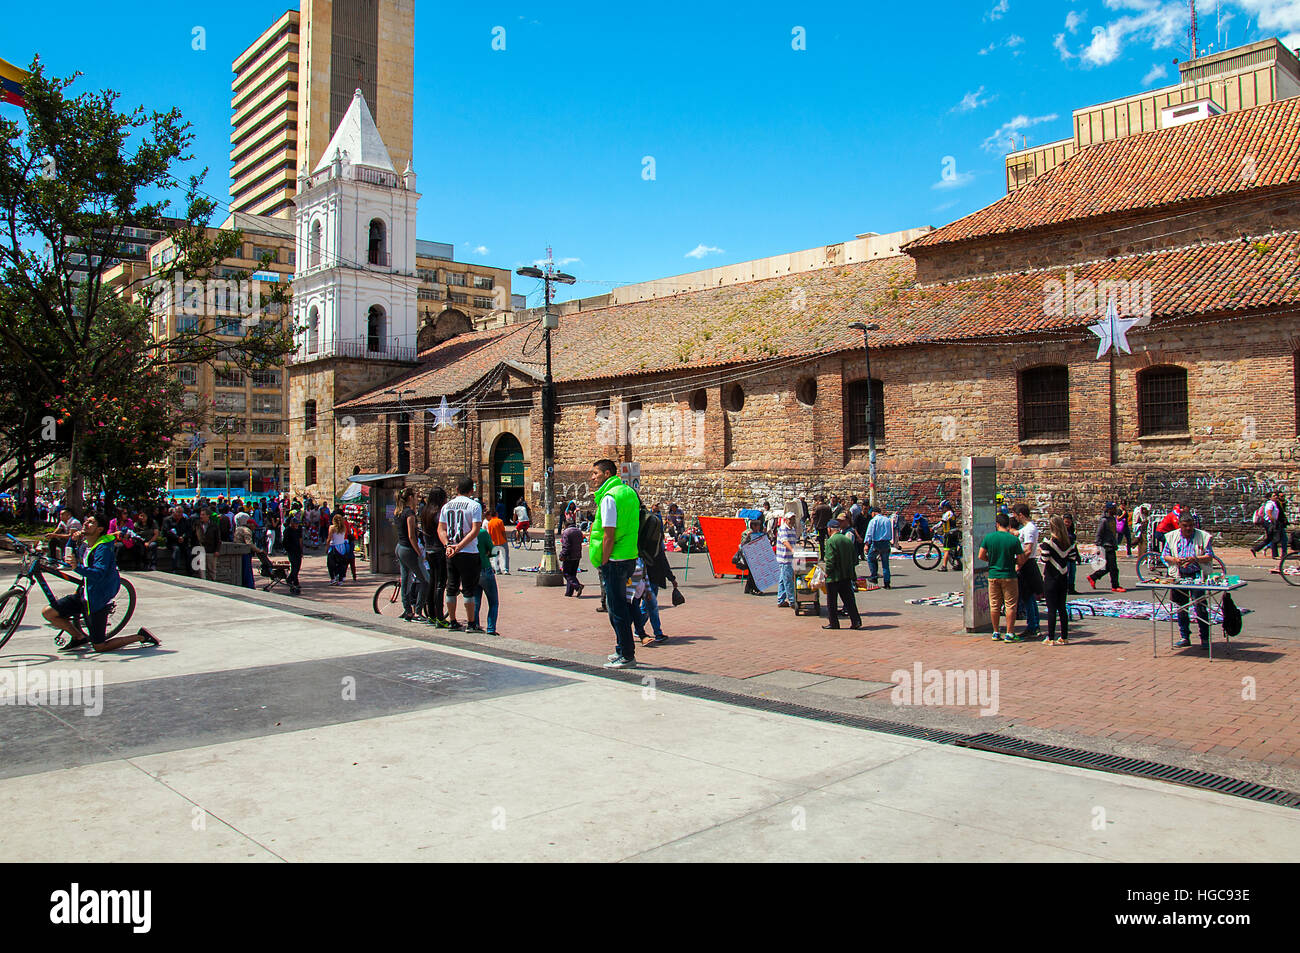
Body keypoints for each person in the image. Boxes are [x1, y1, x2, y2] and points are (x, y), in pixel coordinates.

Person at [43, 515, 160, 653]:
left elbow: (99, 573)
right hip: (84, 593)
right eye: (86, 521)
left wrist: (77, 568)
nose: (86, 523)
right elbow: (70, 554)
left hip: (98, 599)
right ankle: (78, 637)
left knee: (99, 646)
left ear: (99, 529)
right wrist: (72, 540)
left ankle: (140, 636)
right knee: (48, 613)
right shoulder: (85, 545)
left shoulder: (103, 549)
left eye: (91, 522)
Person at [589, 459, 640, 669]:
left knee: (616, 609)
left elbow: (608, 533)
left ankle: (627, 655)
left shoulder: (609, 497)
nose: (592, 478)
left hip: (615, 560)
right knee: (622, 606)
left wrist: (603, 561)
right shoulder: (629, 493)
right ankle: (621, 648)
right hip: (629, 556)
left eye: (595, 473)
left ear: (607, 473)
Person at [1162, 511, 1216, 650]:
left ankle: (1204, 638)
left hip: (1197, 576)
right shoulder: (1172, 537)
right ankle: (1185, 636)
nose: (1188, 529)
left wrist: (1195, 559)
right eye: (1185, 526)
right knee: (1181, 607)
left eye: (1190, 526)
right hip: (1179, 576)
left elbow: (1209, 556)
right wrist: (1176, 560)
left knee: (1200, 608)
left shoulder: (1203, 537)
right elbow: (1165, 556)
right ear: (1180, 525)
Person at [439, 477, 483, 631]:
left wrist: (448, 546)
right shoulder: (474, 506)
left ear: (457, 489)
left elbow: (441, 529)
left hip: (451, 552)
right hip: (468, 552)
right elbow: (475, 529)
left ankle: (452, 621)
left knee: (451, 586)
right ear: (471, 490)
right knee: (469, 588)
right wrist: (460, 546)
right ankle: (471, 623)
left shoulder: (446, 506)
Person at [979, 512, 1027, 642]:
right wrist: (1013, 562)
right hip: (1009, 575)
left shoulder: (989, 538)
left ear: (997, 524)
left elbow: (981, 555)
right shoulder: (1013, 540)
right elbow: (1021, 559)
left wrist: (991, 560)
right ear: (1009, 525)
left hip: (993, 575)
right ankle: (1009, 633)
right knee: (1010, 605)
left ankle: (995, 631)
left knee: (994, 605)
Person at [1040, 515, 1080, 645]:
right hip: (1063, 577)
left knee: (1051, 609)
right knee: (1062, 608)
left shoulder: (1048, 543)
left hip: (1051, 578)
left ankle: (1050, 638)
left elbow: (1044, 559)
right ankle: (1064, 636)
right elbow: (1073, 558)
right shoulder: (1069, 543)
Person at [392, 487, 429, 622]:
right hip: (408, 549)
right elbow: (411, 536)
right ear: (409, 498)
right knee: (425, 580)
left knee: (406, 580)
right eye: (415, 496)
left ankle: (408, 611)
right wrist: (419, 553)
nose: (416, 499)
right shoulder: (410, 514)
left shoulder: (398, 512)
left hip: (400, 547)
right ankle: (418, 612)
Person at [822, 520, 862, 630]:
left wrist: (827, 572)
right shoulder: (847, 540)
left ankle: (834, 623)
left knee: (832, 602)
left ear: (829, 529)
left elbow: (830, 560)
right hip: (847, 575)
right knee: (849, 600)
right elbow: (854, 559)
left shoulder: (831, 541)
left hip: (834, 576)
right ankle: (856, 620)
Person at [1013, 503, 1043, 640]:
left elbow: (1028, 549)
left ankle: (1033, 626)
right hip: (1026, 563)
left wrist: (1019, 564)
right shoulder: (1026, 529)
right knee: (1028, 597)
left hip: (1027, 564)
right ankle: (1033, 624)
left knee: (1028, 597)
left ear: (1021, 515)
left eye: (1016, 515)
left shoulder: (1029, 529)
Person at [421, 489, 449, 626]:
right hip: (439, 550)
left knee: (432, 581)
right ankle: (439, 617)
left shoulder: (425, 511)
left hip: (429, 550)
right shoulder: (439, 513)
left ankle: (431, 615)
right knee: (440, 584)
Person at [468, 522, 499, 635]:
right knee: (493, 602)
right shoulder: (482, 533)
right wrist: (491, 552)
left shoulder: (465, 533)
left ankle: (474, 624)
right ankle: (491, 628)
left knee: (475, 601)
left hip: (472, 570)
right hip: (485, 568)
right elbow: (493, 551)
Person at [1088, 503, 1125, 593]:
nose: (1115, 510)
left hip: (1112, 545)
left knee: (1108, 567)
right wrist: (1098, 546)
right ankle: (1115, 586)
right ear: (1109, 510)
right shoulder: (1104, 520)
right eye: (1113, 508)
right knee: (1113, 568)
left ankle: (1093, 577)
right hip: (1106, 546)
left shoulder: (1112, 519)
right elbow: (1099, 533)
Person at [864, 506, 893, 588]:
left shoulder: (874, 521)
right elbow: (890, 532)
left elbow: (869, 533)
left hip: (877, 543)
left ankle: (874, 576)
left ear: (873, 513)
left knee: (870, 558)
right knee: (885, 564)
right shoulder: (887, 520)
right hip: (886, 542)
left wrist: (866, 544)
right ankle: (887, 583)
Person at [775, 511, 798, 608]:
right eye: (790, 519)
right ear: (786, 519)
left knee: (783, 579)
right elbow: (785, 541)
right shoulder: (783, 528)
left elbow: (793, 542)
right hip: (784, 558)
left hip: (790, 558)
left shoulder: (792, 529)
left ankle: (781, 599)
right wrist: (793, 550)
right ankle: (792, 600)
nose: (792, 520)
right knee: (788, 579)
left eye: (793, 519)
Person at [193, 507, 220, 581]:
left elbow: (218, 539)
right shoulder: (197, 524)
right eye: (201, 515)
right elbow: (194, 537)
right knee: (201, 569)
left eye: (203, 515)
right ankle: (203, 584)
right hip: (200, 549)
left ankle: (213, 583)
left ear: (208, 516)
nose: (201, 516)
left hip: (211, 550)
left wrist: (217, 550)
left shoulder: (214, 526)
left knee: (212, 569)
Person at [560, 517, 585, 597]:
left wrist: (562, 555)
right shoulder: (579, 531)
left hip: (569, 556)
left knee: (566, 573)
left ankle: (577, 586)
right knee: (572, 574)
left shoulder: (566, 532)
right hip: (577, 555)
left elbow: (566, 546)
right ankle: (569, 592)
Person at [326, 513, 352, 586]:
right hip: (342, 547)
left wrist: (326, 547)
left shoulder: (332, 527)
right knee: (341, 564)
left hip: (333, 547)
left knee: (330, 564)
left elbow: (329, 538)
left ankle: (333, 578)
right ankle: (340, 580)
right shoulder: (344, 528)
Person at [283, 510, 303, 594]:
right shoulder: (287, 530)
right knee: (294, 566)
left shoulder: (297, 530)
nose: (297, 525)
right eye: (296, 524)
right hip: (291, 551)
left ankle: (294, 580)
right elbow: (285, 542)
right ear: (292, 523)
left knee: (297, 566)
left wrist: (301, 550)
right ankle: (291, 579)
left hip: (298, 551)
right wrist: (288, 549)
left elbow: (300, 540)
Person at [937, 501, 959, 572]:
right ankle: (959, 564)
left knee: (946, 550)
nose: (942, 510)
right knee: (954, 550)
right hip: (955, 532)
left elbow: (942, 522)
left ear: (945, 507)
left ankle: (944, 566)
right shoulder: (952, 513)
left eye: (942, 508)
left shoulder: (947, 513)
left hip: (949, 533)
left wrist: (934, 527)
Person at [486, 510, 509, 574]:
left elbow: (489, 533)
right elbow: (503, 531)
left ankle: (497, 570)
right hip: (502, 540)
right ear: (496, 514)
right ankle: (505, 569)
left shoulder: (489, 522)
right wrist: (505, 539)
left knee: (495, 556)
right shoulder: (500, 521)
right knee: (504, 555)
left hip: (494, 541)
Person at [1062, 512, 1080, 594]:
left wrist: (1078, 556)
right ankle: (1065, 588)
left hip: (1072, 555)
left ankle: (1071, 588)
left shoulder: (1071, 532)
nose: (1067, 524)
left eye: (1069, 522)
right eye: (1066, 522)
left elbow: (1074, 545)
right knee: (1067, 573)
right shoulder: (1061, 532)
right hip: (1065, 555)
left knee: (1072, 572)